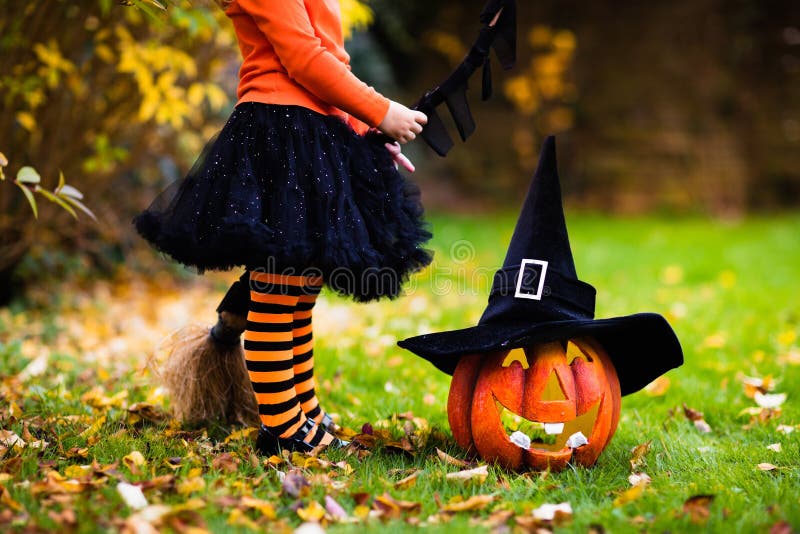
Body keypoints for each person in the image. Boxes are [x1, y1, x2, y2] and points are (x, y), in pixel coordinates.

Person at [134, 0, 431, 454]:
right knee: (279, 286)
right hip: (278, 130)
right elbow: (303, 56)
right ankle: (281, 428)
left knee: (301, 285)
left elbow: (330, 58)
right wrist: (381, 109)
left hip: (316, 130)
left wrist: (362, 128)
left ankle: (303, 410)